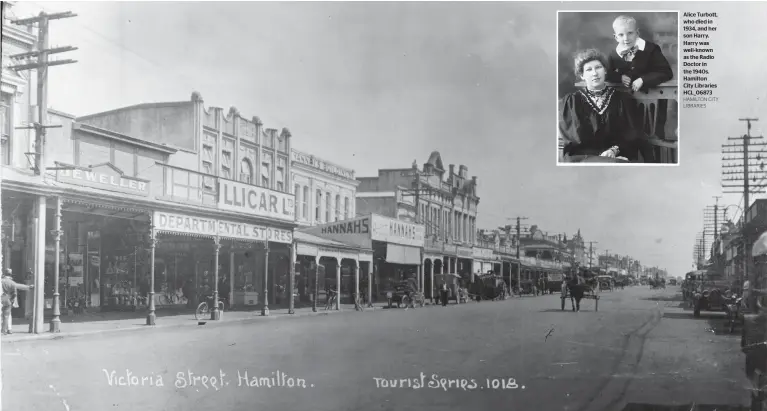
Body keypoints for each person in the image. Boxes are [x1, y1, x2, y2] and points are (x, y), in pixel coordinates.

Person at [559, 48, 656, 163]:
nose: (594, 73)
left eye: (598, 67)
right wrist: (602, 157)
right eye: (589, 70)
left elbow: (631, 133)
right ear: (582, 76)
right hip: (583, 158)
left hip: (617, 155)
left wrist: (614, 150)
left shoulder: (622, 99)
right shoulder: (571, 102)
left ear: (605, 70)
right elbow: (574, 141)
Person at [606, 15, 674, 94]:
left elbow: (667, 73)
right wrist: (620, 77)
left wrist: (643, 79)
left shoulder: (651, 49)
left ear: (637, 33)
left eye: (630, 33)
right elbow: (607, 74)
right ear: (616, 37)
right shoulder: (614, 54)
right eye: (621, 35)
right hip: (626, 97)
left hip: (652, 95)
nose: (626, 38)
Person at [2, 269, 34, 335]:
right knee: (7, 315)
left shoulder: (2, 280)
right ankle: (8, 329)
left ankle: (6, 329)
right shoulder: (11, 282)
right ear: (10, 275)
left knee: (5, 315)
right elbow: (18, 286)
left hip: (2, 297)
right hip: (6, 298)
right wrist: (28, 287)